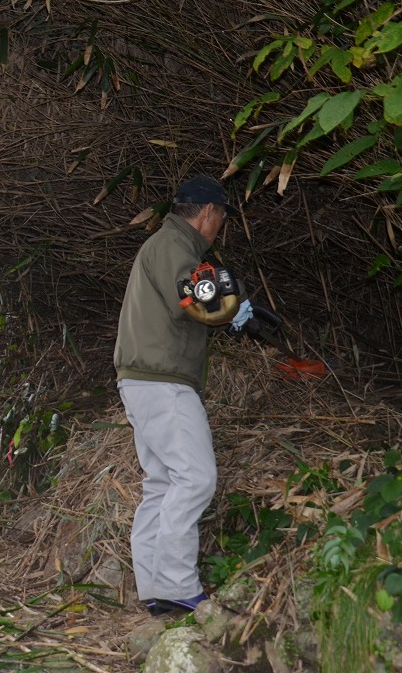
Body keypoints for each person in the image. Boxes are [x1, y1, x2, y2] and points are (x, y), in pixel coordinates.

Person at [113, 174, 259, 616]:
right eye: (221, 218)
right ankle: (177, 585)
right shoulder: (175, 245)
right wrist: (232, 313)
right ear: (208, 213)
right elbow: (200, 297)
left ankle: (156, 587)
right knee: (195, 478)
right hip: (163, 381)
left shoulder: (165, 245)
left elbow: (192, 297)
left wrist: (230, 313)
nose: (219, 228)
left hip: (141, 379)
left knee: (161, 483)